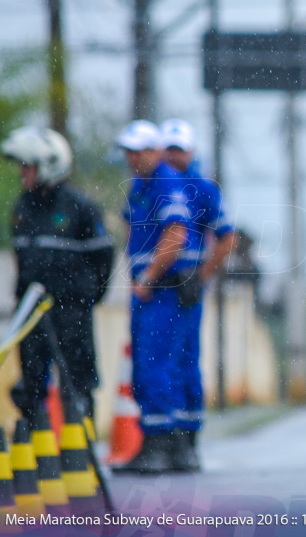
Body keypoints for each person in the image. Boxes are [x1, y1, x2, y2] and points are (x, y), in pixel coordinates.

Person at [0, 127, 114, 421]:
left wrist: (84, 296)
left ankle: (80, 450)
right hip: (31, 309)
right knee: (31, 383)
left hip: (71, 309)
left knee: (77, 380)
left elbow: (103, 259)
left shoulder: (80, 207)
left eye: (28, 166)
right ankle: (37, 453)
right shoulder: (21, 207)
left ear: (49, 165)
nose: (22, 173)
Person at [112, 119, 199, 475]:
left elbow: (175, 234)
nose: (133, 157)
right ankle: (170, 447)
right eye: (129, 151)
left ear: (154, 151)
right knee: (157, 364)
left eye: (139, 150)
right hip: (153, 289)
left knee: (156, 364)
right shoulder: (140, 185)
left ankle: (160, 446)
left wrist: (148, 277)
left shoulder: (165, 181)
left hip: (163, 289)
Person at [157, 118, 237, 471]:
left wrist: (201, 275)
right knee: (160, 361)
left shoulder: (202, 187)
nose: (174, 155)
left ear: (190, 151)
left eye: (180, 148)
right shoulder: (155, 183)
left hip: (185, 287)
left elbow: (227, 236)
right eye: (168, 148)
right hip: (160, 285)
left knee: (184, 360)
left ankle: (187, 440)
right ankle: (166, 439)